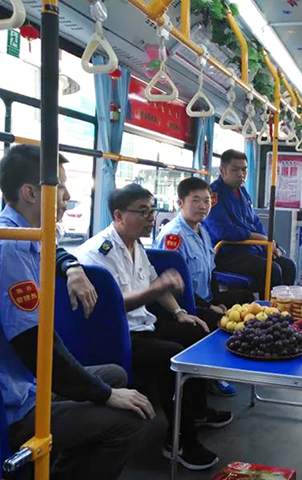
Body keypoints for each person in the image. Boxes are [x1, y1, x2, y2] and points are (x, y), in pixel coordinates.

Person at [0, 145, 154, 480]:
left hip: (26, 382)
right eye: (60, 187)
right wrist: (105, 396)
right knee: (131, 418)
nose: (67, 197)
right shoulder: (10, 248)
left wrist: (72, 268)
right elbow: (35, 346)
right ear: (30, 193)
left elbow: (53, 250)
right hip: (12, 405)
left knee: (114, 373)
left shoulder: (29, 233)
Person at [76, 184, 233, 470]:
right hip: (116, 335)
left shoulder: (137, 245)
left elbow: (153, 284)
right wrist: (156, 289)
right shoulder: (98, 253)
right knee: (170, 356)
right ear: (118, 215)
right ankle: (180, 442)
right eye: (143, 212)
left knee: (197, 331)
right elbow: (112, 305)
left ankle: (198, 411)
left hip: (143, 325)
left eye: (152, 210)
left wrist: (179, 312)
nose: (151, 218)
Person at [153, 177, 253, 397]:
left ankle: (228, 364)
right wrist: (210, 306)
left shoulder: (203, 231)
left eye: (206, 201)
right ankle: (212, 376)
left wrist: (217, 300)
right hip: (183, 304)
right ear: (180, 203)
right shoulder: (174, 236)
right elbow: (177, 286)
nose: (202, 206)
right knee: (217, 322)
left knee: (246, 299)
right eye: (195, 200)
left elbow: (211, 273)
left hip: (204, 298)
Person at [203, 149, 296, 296]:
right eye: (235, 170)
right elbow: (223, 231)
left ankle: (284, 305)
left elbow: (255, 222)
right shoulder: (213, 195)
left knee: (288, 266)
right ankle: (268, 308)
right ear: (222, 171)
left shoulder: (243, 193)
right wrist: (259, 238)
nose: (241, 174)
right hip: (228, 253)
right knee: (272, 270)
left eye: (244, 169)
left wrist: (268, 244)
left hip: (250, 250)